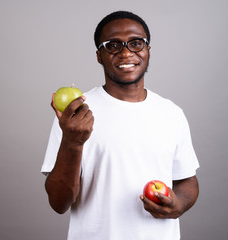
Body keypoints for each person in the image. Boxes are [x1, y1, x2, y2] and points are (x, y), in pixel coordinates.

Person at [41, 11, 199, 240]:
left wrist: (179, 205)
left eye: (136, 43)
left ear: (148, 51)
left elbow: (187, 180)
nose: (126, 52)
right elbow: (58, 203)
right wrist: (72, 142)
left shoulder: (172, 113)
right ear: (99, 56)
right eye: (113, 45)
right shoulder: (76, 113)